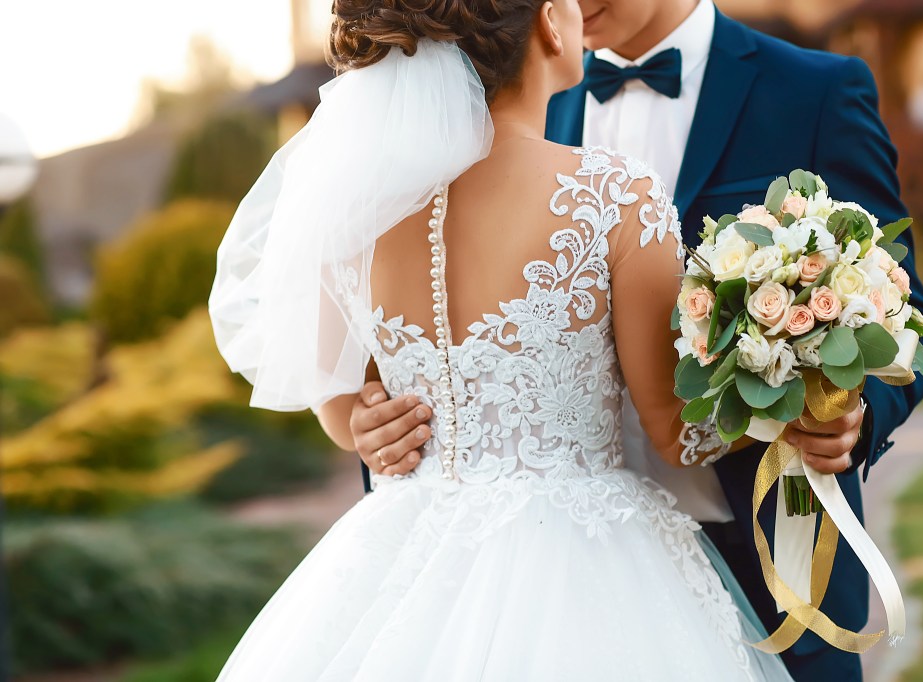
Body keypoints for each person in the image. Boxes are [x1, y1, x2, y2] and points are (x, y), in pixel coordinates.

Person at [349, 1, 923, 680]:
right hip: (537, 589)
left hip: (777, 564)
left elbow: (903, 306)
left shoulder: (816, 91)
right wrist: (380, 426)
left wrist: (850, 409)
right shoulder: (514, 84)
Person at [208, 0, 795, 679]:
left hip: (410, 551)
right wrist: (788, 378)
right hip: (587, 558)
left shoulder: (359, 214)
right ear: (550, 20)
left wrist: (366, 426)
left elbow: (342, 410)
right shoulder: (611, 195)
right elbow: (678, 431)